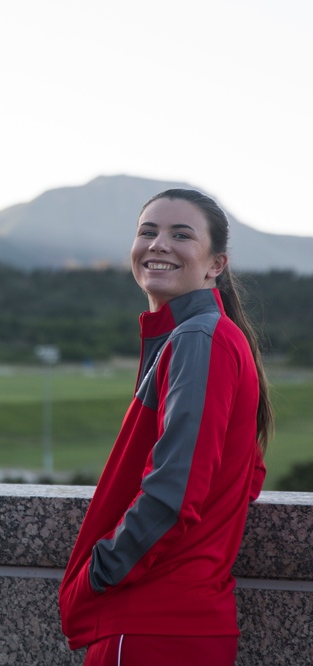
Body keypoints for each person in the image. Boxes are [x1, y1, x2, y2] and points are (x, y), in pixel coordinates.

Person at [58, 189, 272, 665]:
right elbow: (247, 477)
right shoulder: (211, 336)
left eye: (181, 234)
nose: (158, 244)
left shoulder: (199, 338)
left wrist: (100, 572)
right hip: (188, 625)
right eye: (147, 231)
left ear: (216, 263)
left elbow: (172, 495)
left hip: (150, 627)